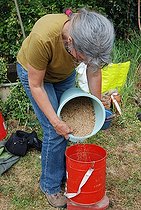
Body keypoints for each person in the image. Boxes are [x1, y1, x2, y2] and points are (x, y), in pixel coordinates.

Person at [16, 8, 115, 208]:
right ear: (70, 42)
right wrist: (55, 121)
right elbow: (37, 85)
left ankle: (61, 169)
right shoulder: (43, 38)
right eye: (83, 58)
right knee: (55, 130)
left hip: (62, 74)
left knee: (66, 125)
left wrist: (97, 108)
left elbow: (93, 71)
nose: (86, 62)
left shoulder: (87, 37)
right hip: (35, 76)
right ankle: (50, 186)